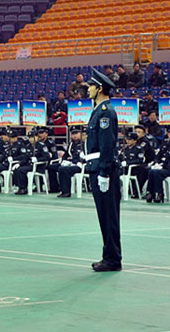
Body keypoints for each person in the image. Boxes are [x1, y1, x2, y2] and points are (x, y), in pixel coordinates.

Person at [86, 68, 121, 272]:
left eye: (91, 86)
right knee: (104, 216)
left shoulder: (106, 112)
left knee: (109, 216)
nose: (88, 89)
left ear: (99, 88)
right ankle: (109, 256)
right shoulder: (99, 110)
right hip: (97, 167)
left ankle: (112, 259)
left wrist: (104, 173)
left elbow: (107, 145)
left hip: (103, 169)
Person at [12, 129, 51, 195]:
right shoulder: (28, 146)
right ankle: (20, 187)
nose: (31, 139)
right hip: (30, 165)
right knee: (17, 169)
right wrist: (19, 163)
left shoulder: (41, 146)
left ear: (37, 137)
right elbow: (25, 158)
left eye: (32, 137)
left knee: (21, 170)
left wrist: (37, 159)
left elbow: (47, 157)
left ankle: (23, 188)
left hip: (38, 166)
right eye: (30, 137)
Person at [56, 126, 85, 198]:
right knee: (54, 167)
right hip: (70, 163)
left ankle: (66, 191)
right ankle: (56, 187)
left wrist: (77, 161)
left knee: (63, 169)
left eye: (76, 133)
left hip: (80, 165)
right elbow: (66, 154)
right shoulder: (71, 144)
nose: (74, 135)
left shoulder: (84, 144)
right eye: (73, 134)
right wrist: (63, 161)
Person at [146, 129, 170, 203]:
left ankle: (159, 193)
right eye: (169, 133)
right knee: (151, 171)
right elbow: (158, 156)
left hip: (168, 168)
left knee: (157, 173)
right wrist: (156, 163)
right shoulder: (165, 144)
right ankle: (150, 192)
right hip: (162, 166)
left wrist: (163, 166)